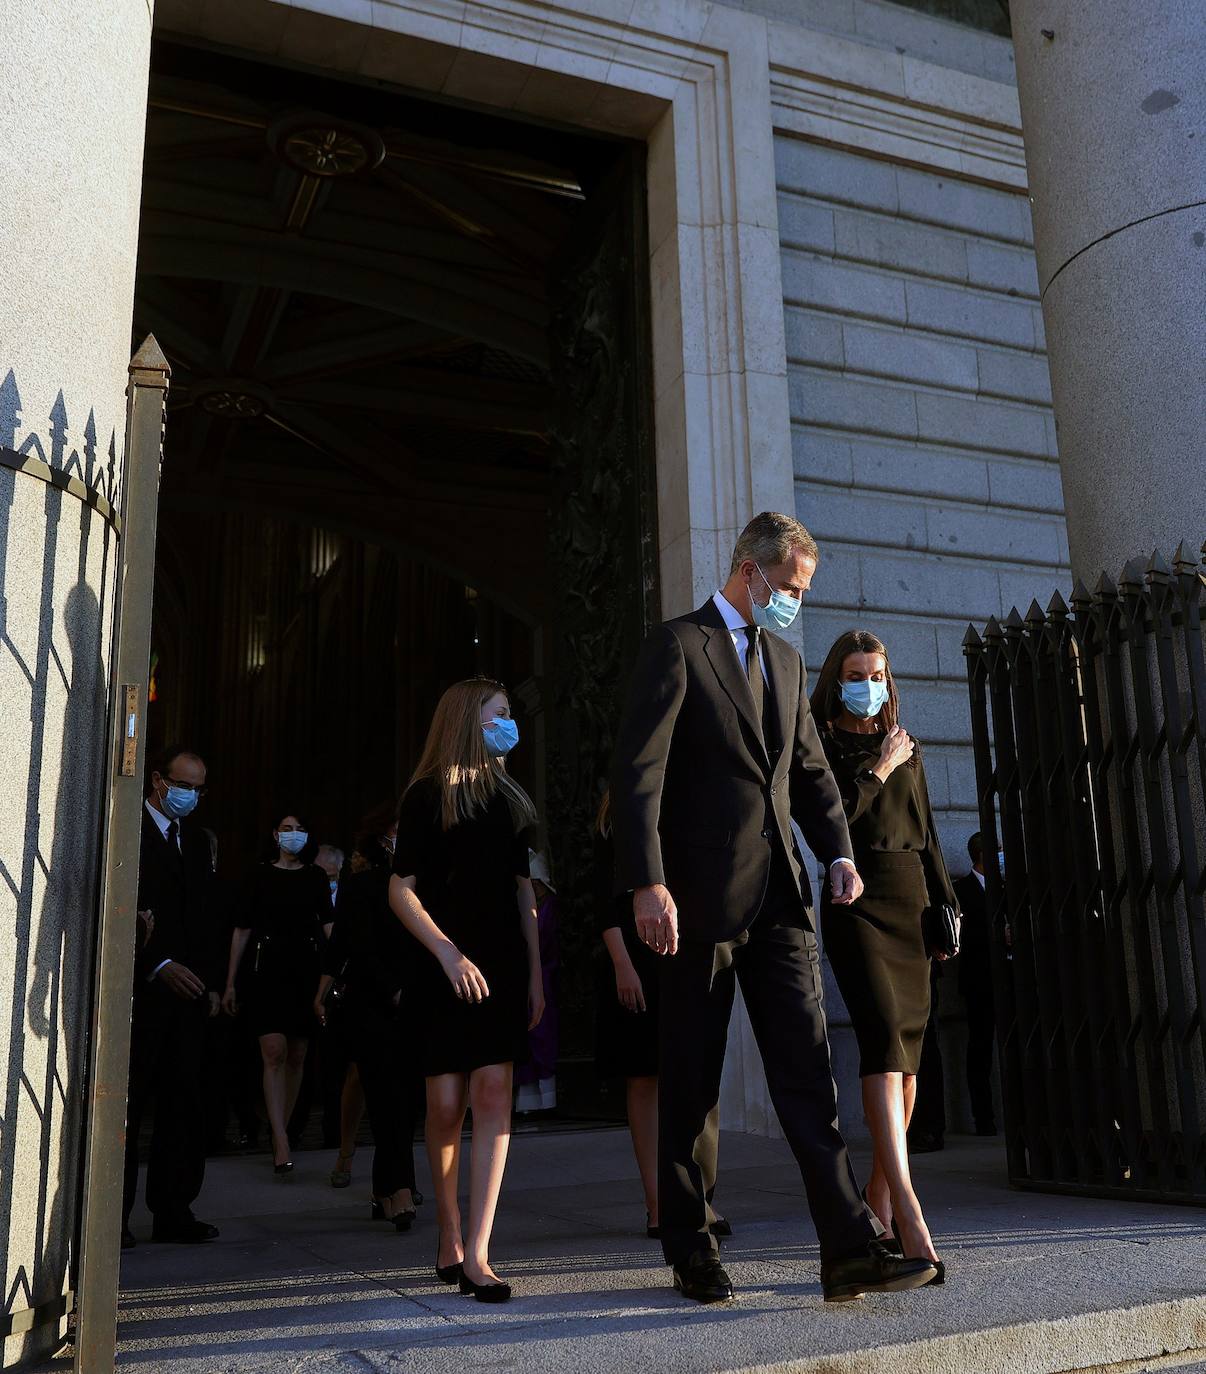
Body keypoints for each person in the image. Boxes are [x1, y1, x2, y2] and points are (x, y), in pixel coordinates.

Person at [610, 511, 936, 1304]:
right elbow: (638, 776)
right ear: (749, 570)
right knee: (690, 1081)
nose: (795, 600)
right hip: (694, 904)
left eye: (803, 589)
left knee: (808, 1077)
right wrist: (647, 883)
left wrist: (840, 855)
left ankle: (848, 1249)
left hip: (782, 902)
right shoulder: (678, 647)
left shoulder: (787, 663)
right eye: (790, 586)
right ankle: (690, 1245)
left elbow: (814, 779)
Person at [388, 678, 544, 1304]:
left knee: (493, 1092)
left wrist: (535, 975)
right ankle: (448, 1232)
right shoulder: (425, 797)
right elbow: (401, 889)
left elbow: (525, 892)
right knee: (446, 1107)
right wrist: (447, 953)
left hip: (503, 963)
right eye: (500, 714)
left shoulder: (511, 798)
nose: (510, 724)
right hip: (441, 967)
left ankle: (480, 1250)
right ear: (466, 720)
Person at [811, 628, 959, 1282]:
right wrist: (877, 768)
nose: (868, 684)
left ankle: (875, 1198)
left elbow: (926, 836)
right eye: (855, 672)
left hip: (910, 899)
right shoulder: (823, 743)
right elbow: (831, 821)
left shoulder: (908, 745)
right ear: (836, 678)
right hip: (857, 899)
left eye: (877, 672)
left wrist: (945, 909)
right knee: (881, 1042)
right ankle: (907, 1204)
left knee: (909, 1053)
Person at [593, 792, 730, 1242]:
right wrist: (622, 965)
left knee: (690, 1075)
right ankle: (657, 1204)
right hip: (633, 958)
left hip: (680, 954)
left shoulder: (685, 812)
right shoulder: (618, 823)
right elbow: (605, 900)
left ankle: (697, 1200)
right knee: (644, 1077)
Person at [123, 745, 222, 1247]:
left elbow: (206, 915)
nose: (190, 795)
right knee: (129, 1101)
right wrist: (156, 964)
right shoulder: (127, 829)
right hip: (142, 991)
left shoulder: (198, 842)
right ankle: (113, 1219)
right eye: (183, 785)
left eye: (198, 788)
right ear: (159, 781)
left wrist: (213, 982)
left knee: (184, 1103)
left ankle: (174, 1209)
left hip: (190, 996)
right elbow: (120, 908)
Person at [316, 805, 423, 1226]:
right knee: (384, 1101)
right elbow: (354, 945)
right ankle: (396, 1189)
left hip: (415, 1004)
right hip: (373, 1005)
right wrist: (391, 989)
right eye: (401, 833)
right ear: (383, 839)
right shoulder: (361, 885)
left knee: (409, 1101)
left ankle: (387, 1188)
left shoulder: (422, 883)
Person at [222, 813, 332, 1174]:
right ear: (274, 834)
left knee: (298, 1053)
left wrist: (338, 972)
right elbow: (241, 928)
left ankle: (278, 1128)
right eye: (286, 829)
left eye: (300, 829)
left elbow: (329, 926)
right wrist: (230, 982)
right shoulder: (258, 874)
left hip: (306, 969)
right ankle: (282, 1139)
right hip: (265, 968)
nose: (294, 835)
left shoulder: (315, 876)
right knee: (273, 1049)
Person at [956, 831, 998, 1136]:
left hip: (1009, 981)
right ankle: (984, 1118)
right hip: (978, 983)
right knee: (980, 1050)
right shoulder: (962, 890)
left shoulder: (1006, 888)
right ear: (982, 854)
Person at [515, 850, 559, 1114]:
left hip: (546, 977)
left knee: (543, 1037)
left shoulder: (550, 908)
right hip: (532, 977)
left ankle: (546, 1100)